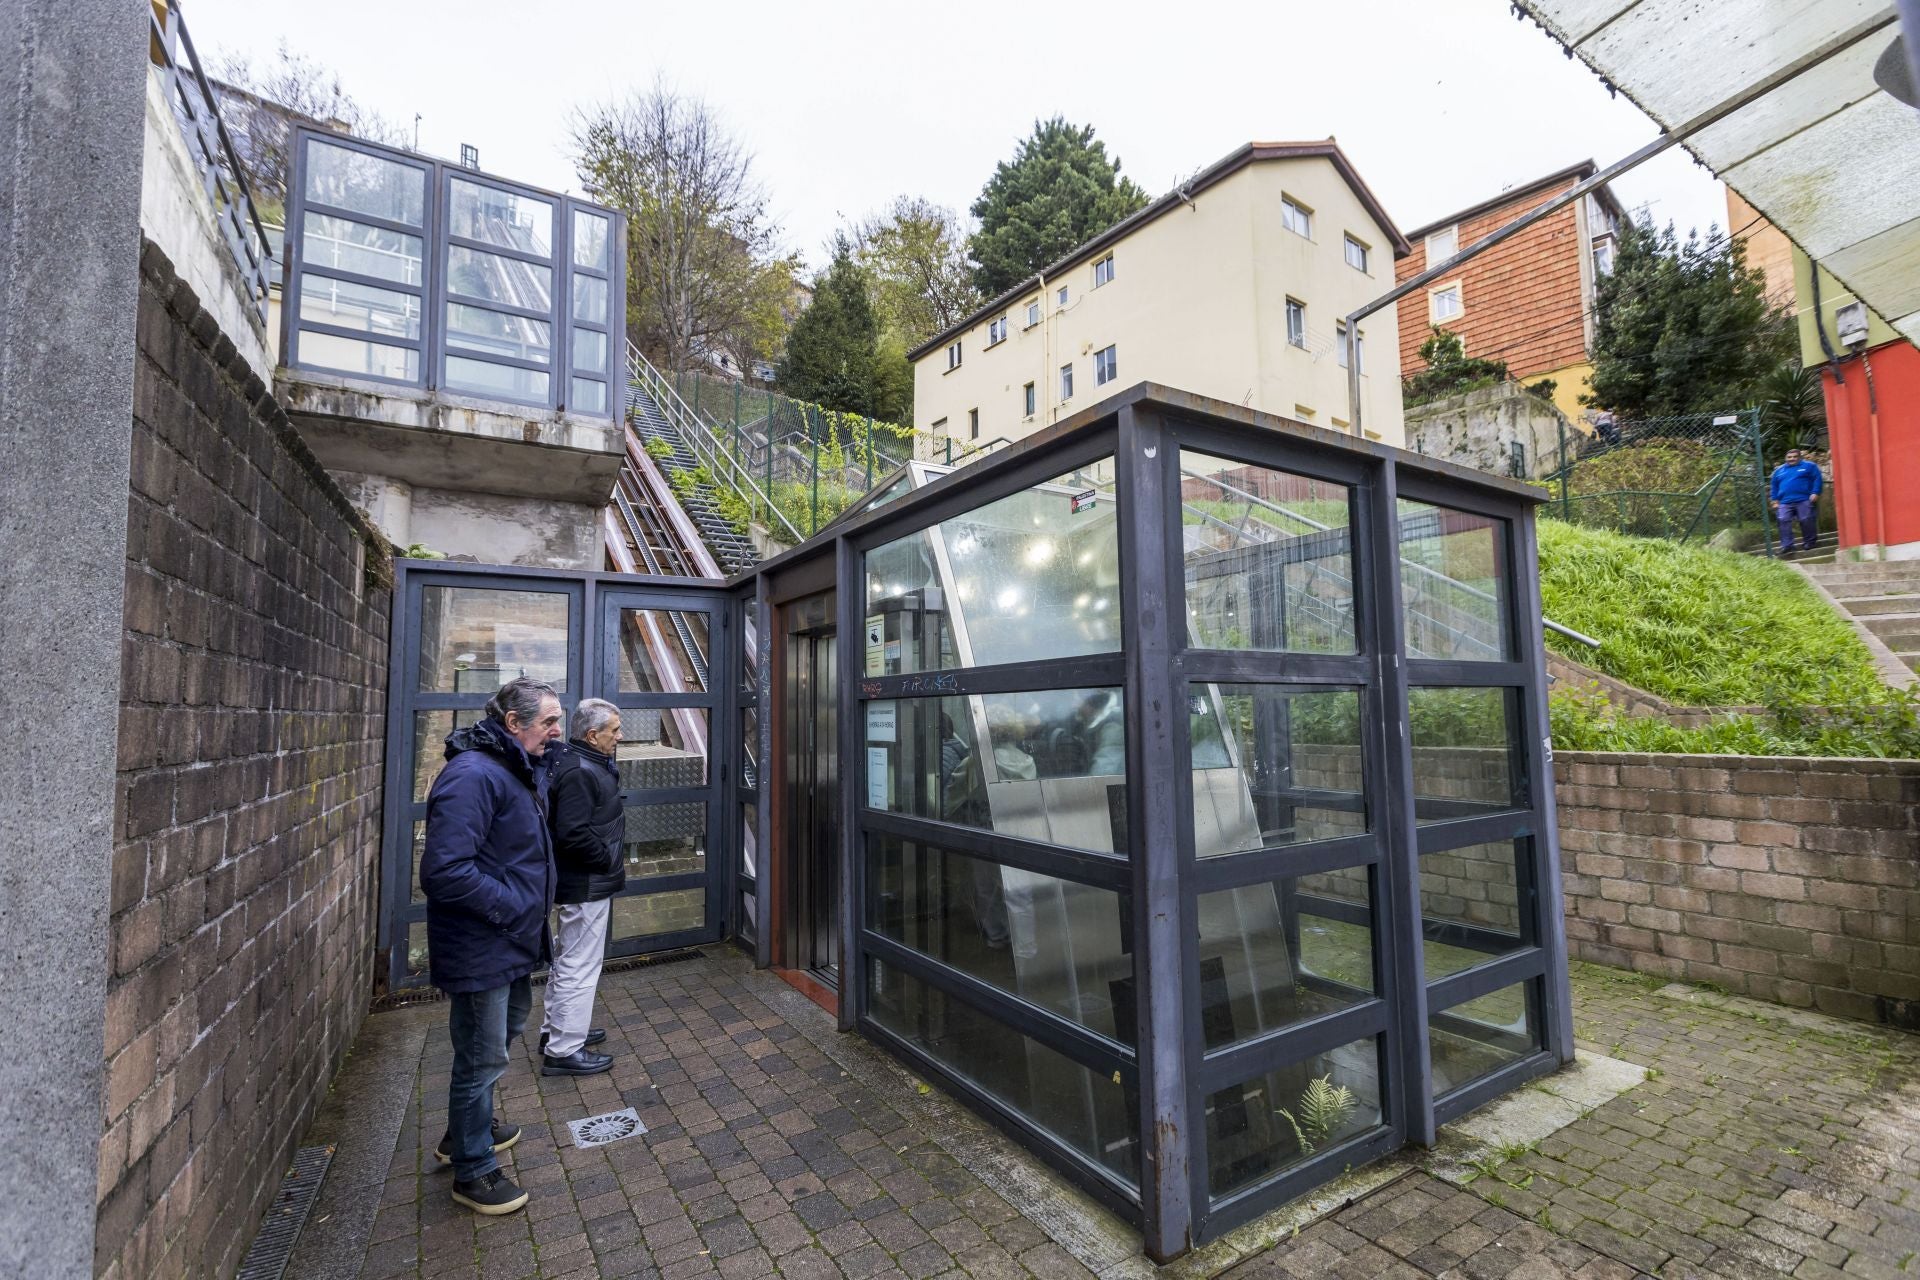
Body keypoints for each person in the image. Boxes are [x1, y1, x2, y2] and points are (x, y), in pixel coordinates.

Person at [419, 677, 563, 1217]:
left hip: (509, 940)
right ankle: (473, 1170)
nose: (557, 731)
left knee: (499, 1038)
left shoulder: (510, 768)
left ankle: (464, 1132)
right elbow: (444, 870)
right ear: (513, 724)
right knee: (482, 1057)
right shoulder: (474, 776)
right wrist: (511, 909)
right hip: (486, 940)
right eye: (549, 721)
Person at [538, 699, 623, 1078]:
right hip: (586, 882)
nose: (620, 737)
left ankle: (556, 1033)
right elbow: (572, 833)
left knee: (568, 958)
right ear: (592, 734)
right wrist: (605, 859)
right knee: (579, 964)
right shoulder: (579, 771)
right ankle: (563, 1049)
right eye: (614, 731)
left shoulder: (581, 763)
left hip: (583, 880)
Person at [1770, 447, 1824, 554]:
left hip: (1804, 499)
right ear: (1785, 458)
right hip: (1785, 501)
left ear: (1800, 457)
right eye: (1789, 457)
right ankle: (1787, 545)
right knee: (1783, 519)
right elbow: (1774, 486)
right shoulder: (1779, 471)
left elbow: (1817, 479)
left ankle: (1810, 542)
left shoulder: (1809, 466)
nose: (1792, 459)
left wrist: (1815, 492)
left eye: (1795, 457)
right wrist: (1774, 500)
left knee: (1806, 519)